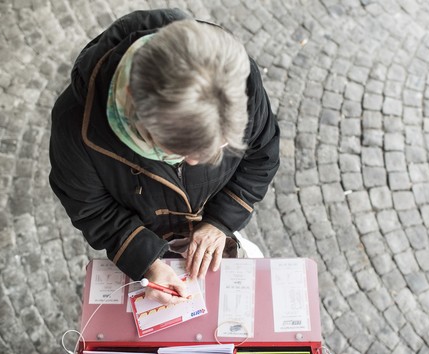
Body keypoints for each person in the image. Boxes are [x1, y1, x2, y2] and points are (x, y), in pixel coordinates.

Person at [49, 9, 280, 305]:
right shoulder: (76, 128)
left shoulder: (237, 79)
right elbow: (91, 209)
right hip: (149, 234)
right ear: (138, 114)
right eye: (181, 152)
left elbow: (262, 153)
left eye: (221, 146)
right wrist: (147, 261)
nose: (198, 162)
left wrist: (220, 221)